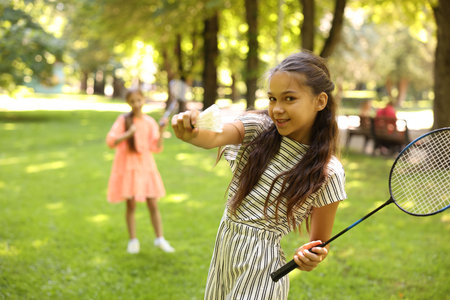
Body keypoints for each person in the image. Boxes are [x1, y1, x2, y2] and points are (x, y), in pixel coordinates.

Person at [172, 51, 346, 299]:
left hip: (263, 268)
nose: (277, 109)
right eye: (272, 98)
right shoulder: (258, 128)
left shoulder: (328, 172)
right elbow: (215, 136)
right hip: (225, 253)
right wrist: (190, 132)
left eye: (289, 99)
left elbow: (318, 244)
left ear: (320, 101)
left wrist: (310, 258)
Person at [106, 89, 175, 254]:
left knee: (153, 203)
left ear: (143, 100)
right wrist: (127, 134)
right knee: (130, 205)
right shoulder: (123, 120)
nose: (136, 104)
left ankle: (160, 239)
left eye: (139, 100)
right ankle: (133, 241)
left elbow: (156, 148)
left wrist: (160, 131)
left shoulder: (150, 122)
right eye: (132, 101)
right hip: (128, 166)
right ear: (128, 103)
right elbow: (110, 141)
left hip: (146, 166)